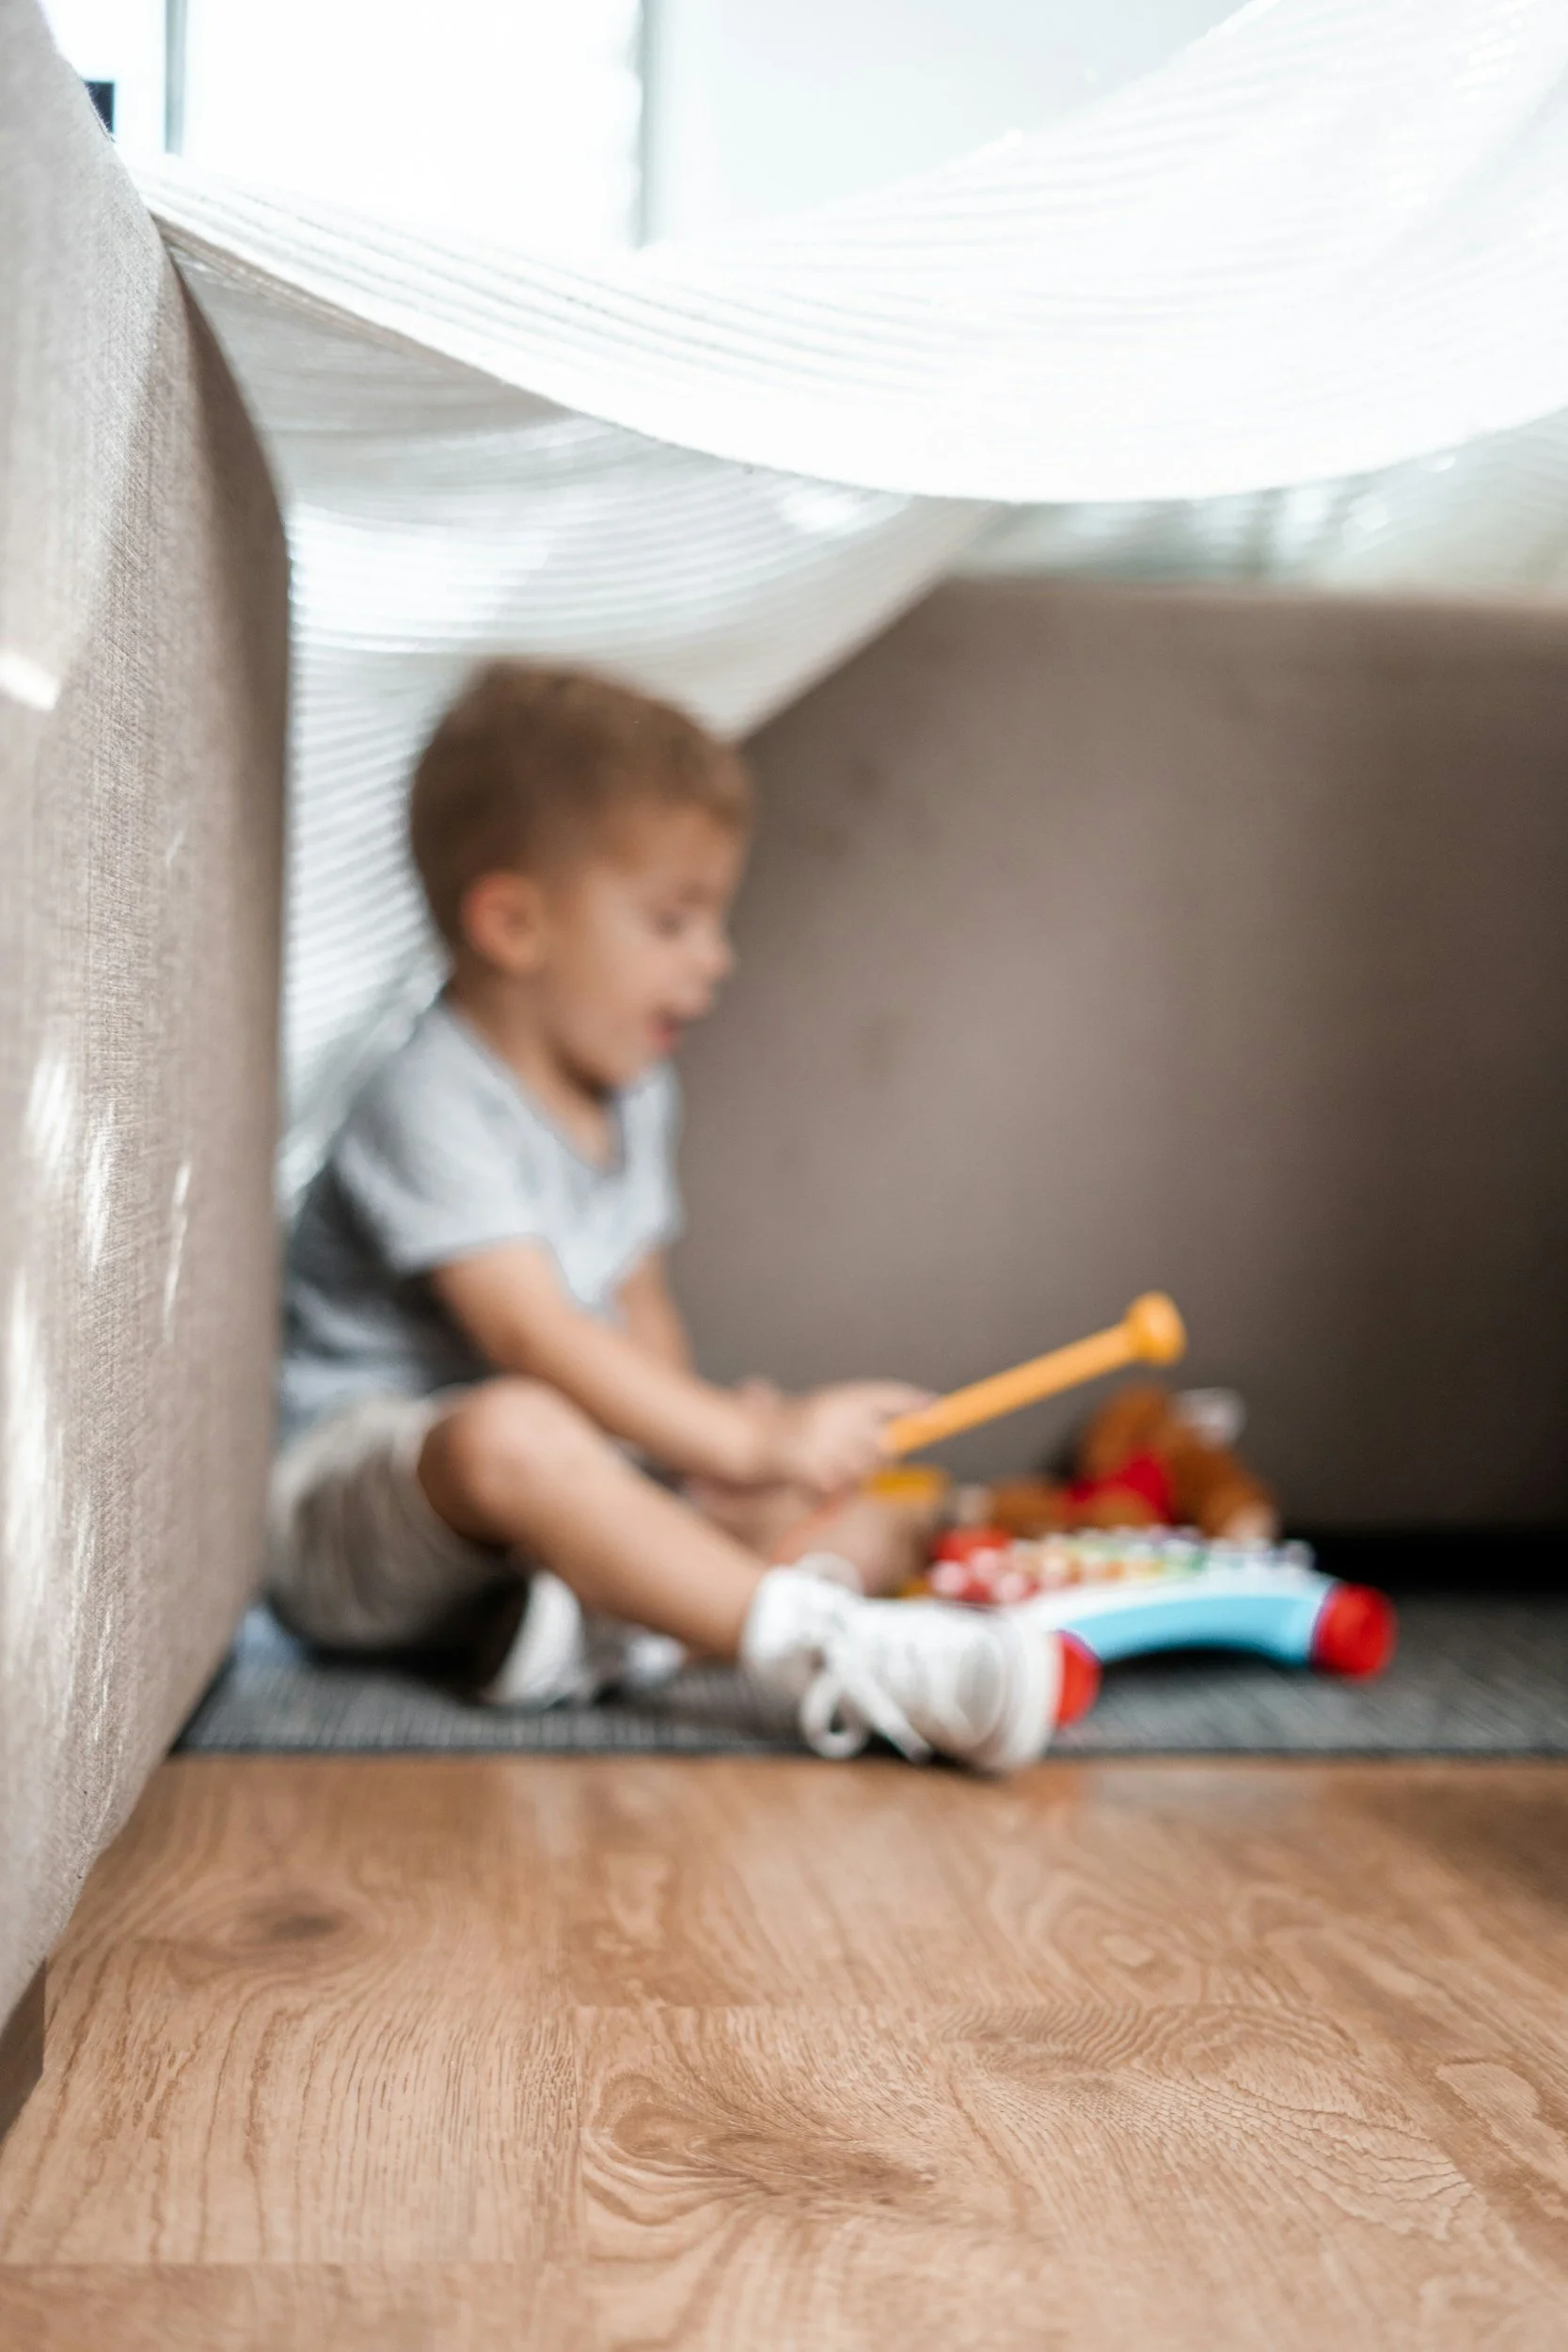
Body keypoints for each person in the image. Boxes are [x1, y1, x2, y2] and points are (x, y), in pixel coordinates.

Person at [270, 661, 1074, 1769]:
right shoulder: (426, 1098)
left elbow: (638, 1306)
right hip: (374, 1504)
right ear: (513, 922)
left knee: (864, 1506)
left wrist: (717, 1456)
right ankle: (823, 1653)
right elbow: (531, 1337)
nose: (715, 958)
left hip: (546, 1502)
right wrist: (744, 1430)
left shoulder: (635, 1097)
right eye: (671, 920)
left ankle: (617, 1628)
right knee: (517, 1424)